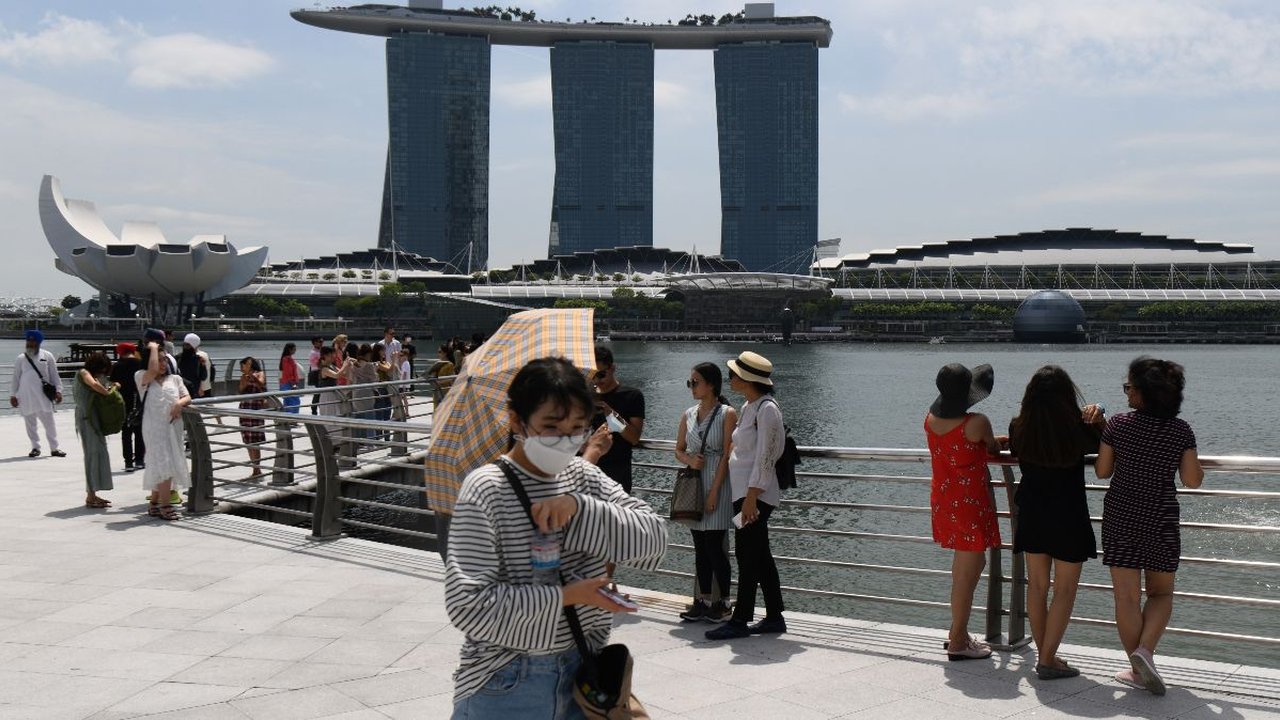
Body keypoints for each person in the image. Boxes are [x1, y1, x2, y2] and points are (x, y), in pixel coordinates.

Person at [445, 357, 666, 716]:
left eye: (577, 428)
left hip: (583, 676)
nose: (566, 441)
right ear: (516, 419)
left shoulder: (583, 476)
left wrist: (580, 509)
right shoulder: (486, 488)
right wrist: (567, 596)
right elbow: (467, 606)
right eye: (552, 427)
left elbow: (654, 542)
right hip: (506, 680)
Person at [1095, 357, 1203, 695]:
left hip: (1121, 516)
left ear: (1143, 394)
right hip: (1161, 517)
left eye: (1129, 387)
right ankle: (1145, 652)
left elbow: (1101, 471)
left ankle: (1137, 668)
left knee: (1126, 598)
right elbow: (1191, 479)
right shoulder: (1180, 431)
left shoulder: (1118, 424)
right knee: (1161, 593)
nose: (1126, 392)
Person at [1008, 365, 1107, 680]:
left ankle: (1046, 656)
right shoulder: (1078, 429)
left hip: (1032, 512)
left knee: (1037, 587)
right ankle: (1048, 659)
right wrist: (1099, 414)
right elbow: (1106, 444)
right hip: (1068, 514)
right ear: (1067, 395)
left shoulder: (1018, 427)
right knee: (1064, 590)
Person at [706, 351, 788, 640]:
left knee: (747, 554)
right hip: (745, 494)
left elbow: (767, 455)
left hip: (755, 495)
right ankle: (775, 616)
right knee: (759, 555)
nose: (730, 378)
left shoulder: (767, 409)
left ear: (747, 379)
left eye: (733, 374)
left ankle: (740, 619)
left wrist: (752, 495)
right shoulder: (750, 406)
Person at [924, 362, 1002, 660]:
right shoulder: (977, 422)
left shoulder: (929, 419)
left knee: (963, 570)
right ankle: (958, 641)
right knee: (967, 575)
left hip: (945, 501)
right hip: (970, 505)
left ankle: (959, 632)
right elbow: (992, 447)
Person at [674, 362, 737, 623]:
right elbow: (678, 449)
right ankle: (701, 600)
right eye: (690, 382)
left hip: (718, 485)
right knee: (700, 546)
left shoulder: (727, 413)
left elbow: (726, 455)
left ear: (711, 384)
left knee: (715, 546)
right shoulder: (688, 414)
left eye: (695, 382)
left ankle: (722, 602)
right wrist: (690, 461)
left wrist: (714, 492)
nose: (692, 386)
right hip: (695, 484)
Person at [136, 341, 191, 521]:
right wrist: (152, 347)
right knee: (163, 462)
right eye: (158, 360)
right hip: (154, 427)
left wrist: (178, 404)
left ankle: (154, 503)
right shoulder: (142, 376)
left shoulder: (175, 379)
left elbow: (187, 396)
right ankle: (165, 505)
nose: (162, 364)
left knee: (162, 464)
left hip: (173, 427)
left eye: (165, 360)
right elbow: (151, 371)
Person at [590, 345, 645, 493]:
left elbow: (634, 438)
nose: (597, 380)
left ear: (612, 368)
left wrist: (611, 415)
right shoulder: (586, 397)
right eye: (592, 375)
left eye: (601, 374)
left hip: (617, 475)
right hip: (588, 472)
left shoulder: (632, 395)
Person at [10, 329, 64, 458]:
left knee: (49, 423)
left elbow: (54, 375)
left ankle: (54, 448)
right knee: (30, 424)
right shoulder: (21, 358)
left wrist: (59, 391)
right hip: (25, 396)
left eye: (33, 340)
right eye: (28, 340)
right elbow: (16, 378)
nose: (30, 342)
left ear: (39, 342)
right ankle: (35, 447)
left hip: (43, 396)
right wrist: (13, 395)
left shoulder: (47, 356)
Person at [75, 352, 116, 508]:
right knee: (92, 455)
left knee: (98, 453)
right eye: (102, 369)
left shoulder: (96, 376)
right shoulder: (84, 373)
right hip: (87, 420)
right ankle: (90, 496)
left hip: (93, 419)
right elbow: (93, 384)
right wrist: (107, 392)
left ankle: (93, 493)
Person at [110, 342, 145, 471]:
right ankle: (140, 460)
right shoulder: (140, 364)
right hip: (139, 401)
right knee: (139, 431)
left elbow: (113, 383)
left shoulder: (117, 366)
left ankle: (128, 462)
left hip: (123, 402)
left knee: (126, 432)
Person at [237, 357, 268, 479]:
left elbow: (261, 384)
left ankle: (257, 468)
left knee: (255, 439)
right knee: (248, 440)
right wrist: (245, 378)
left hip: (256, 407)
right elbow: (241, 390)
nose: (243, 368)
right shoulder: (243, 377)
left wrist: (252, 376)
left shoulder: (260, 374)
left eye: (244, 365)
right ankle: (255, 468)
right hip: (245, 407)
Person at [177, 333, 208, 399]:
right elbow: (203, 377)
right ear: (195, 346)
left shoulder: (176, 358)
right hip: (193, 393)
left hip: (179, 393)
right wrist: (203, 365)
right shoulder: (199, 360)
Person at [278, 342, 303, 413]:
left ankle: (288, 419)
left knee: (288, 402)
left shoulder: (285, 359)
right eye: (294, 349)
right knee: (294, 402)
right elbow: (289, 373)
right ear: (290, 349)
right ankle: (293, 418)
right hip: (289, 384)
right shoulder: (287, 359)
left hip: (286, 383)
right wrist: (293, 384)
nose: (295, 351)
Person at [429, 344, 457, 409]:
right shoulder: (437, 363)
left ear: (445, 353)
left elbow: (451, 378)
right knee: (436, 408)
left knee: (444, 409)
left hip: (445, 390)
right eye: (438, 352)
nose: (438, 354)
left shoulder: (449, 364)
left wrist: (440, 382)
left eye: (440, 352)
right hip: (437, 389)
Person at [307, 335, 324, 415]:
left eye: (322, 341)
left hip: (321, 372)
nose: (322, 343)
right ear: (314, 343)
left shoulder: (320, 351)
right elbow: (317, 364)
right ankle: (314, 408)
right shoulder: (313, 353)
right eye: (320, 342)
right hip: (317, 373)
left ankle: (316, 408)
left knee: (319, 392)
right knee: (318, 392)